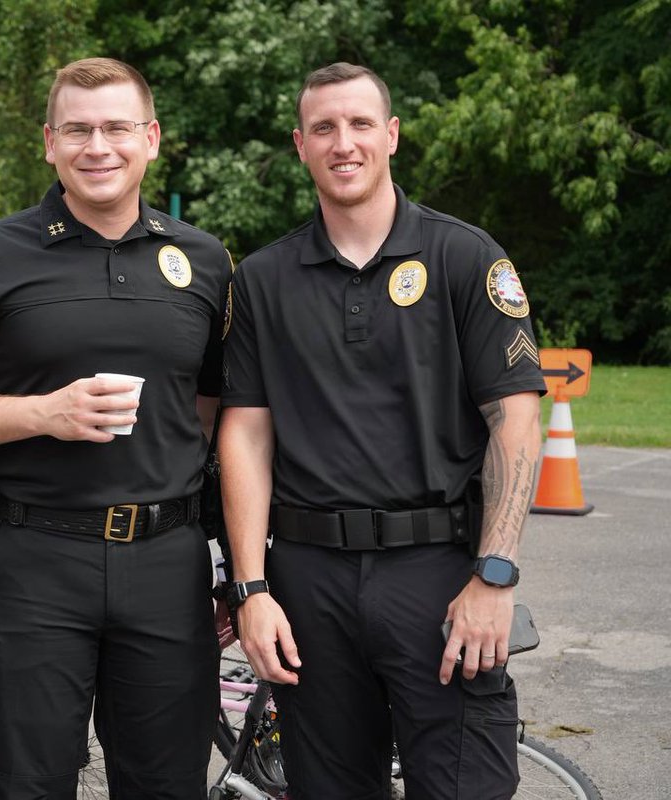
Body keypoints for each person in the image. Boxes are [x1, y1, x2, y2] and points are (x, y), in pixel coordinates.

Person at [0, 57, 231, 799]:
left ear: (151, 138)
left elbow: (212, 412)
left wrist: (236, 569)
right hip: (33, 563)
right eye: (78, 130)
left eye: (117, 128)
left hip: (167, 566)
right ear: (49, 142)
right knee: (23, 785)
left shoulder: (205, 261)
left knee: (168, 785)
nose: (98, 147)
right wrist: (42, 413)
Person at [219, 62, 547, 798]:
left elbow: (516, 420)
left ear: (391, 135)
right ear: (300, 144)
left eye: (361, 124)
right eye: (325, 128)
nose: (344, 143)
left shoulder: (465, 257)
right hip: (309, 583)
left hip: (438, 575)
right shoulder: (264, 280)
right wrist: (251, 589)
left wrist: (494, 574)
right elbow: (244, 436)